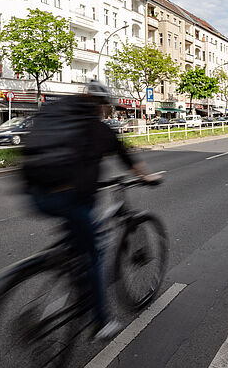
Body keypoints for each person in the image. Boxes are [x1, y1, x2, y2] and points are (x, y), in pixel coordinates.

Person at [23, 81, 159, 341]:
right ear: (103, 106)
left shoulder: (62, 119)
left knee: (75, 240)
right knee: (94, 253)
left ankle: (64, 266)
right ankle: (100, 322)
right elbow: (129, 162)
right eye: (108, 108)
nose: (108, 112)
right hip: (69, 200)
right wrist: (150, 178)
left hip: (36, 193)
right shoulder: (100, 130)